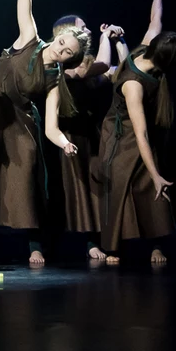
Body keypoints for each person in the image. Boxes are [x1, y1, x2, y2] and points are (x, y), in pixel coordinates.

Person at [0, 0, 93, 265]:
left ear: (71, 59)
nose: (60, 49)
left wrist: (64, 143)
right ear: (58, 37)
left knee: (26, 167)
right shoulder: (30, 39)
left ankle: (34, 244)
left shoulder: (55, 79)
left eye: (67, 52)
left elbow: (51, 128)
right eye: (62, 42)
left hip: (17, 120)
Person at [99, 0, 176, 266]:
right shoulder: (134, 85)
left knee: (151, 185)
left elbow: (154, 22)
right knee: (124, 185)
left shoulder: (148, 49)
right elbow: (140, 135)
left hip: (140, 130)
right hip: (121, 136)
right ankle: (113, 247)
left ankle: (156, 244)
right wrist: (155, 174)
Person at [45, 22, 123, 259]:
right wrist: (104, 37)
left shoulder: (82, 64)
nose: (86, 30)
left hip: (88, 133)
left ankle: (96, 240)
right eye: (81, 27)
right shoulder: (64, 68)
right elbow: (103, 64)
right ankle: (60, 243)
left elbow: (113, 69)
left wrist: (118, 42)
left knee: (94, 189)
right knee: (73, 191)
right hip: (67, 135)